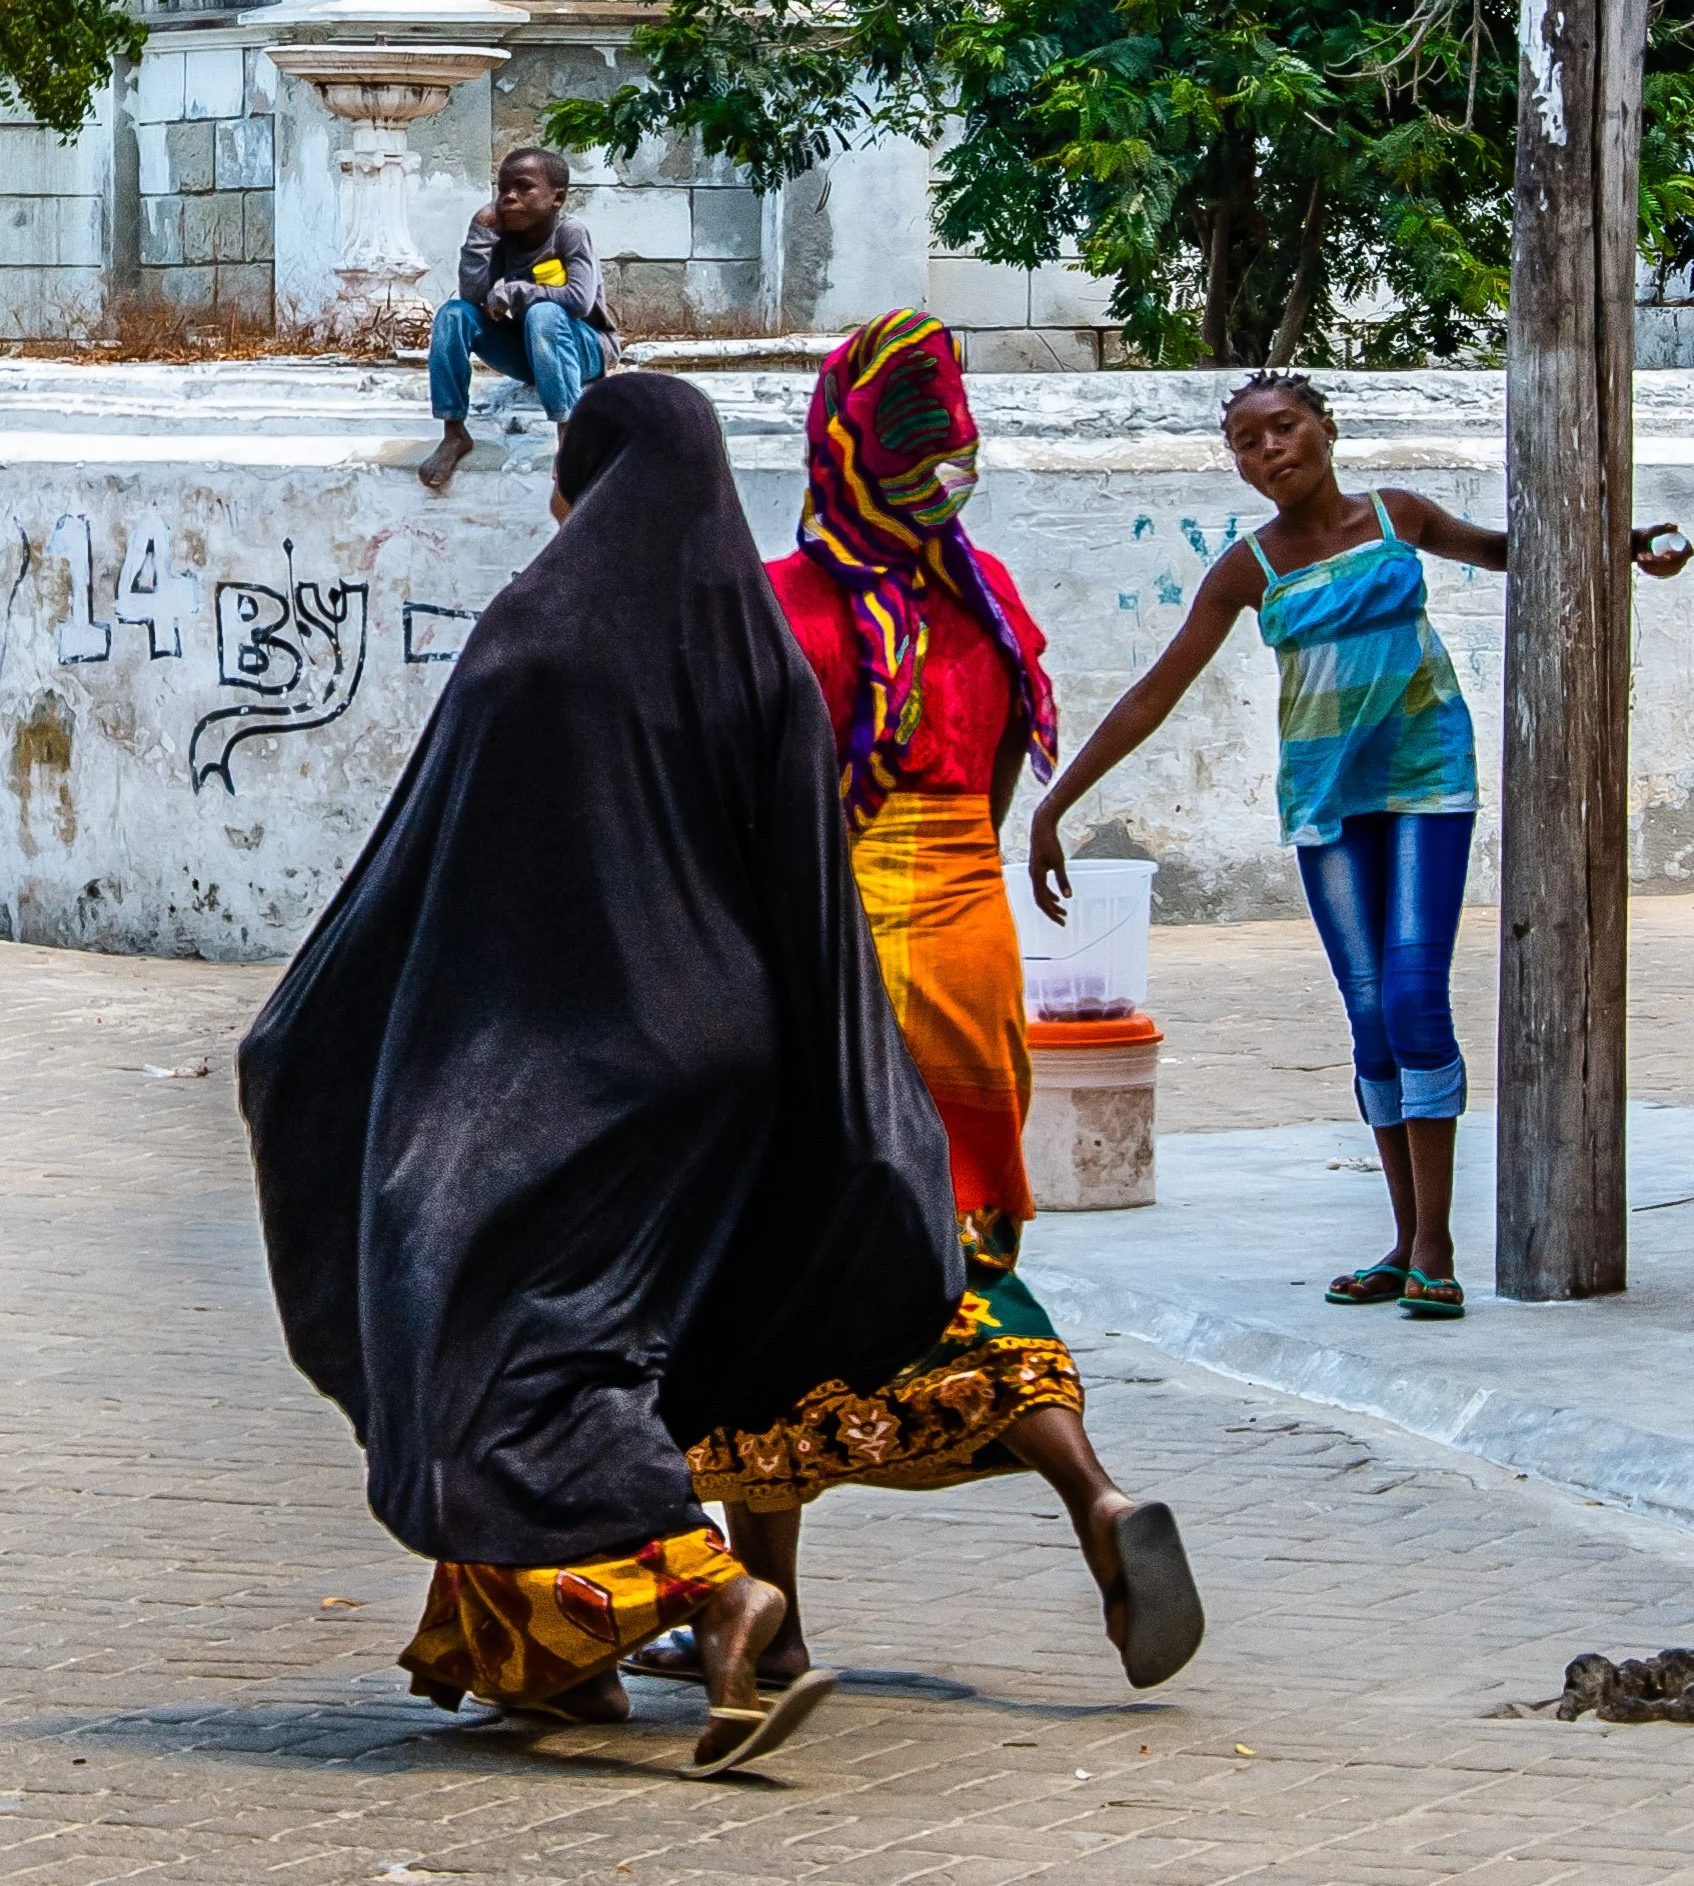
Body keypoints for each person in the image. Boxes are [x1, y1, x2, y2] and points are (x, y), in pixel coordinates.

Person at [239, 371, 964, 1778]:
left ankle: (713, 1590)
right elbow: (808, 891)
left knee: (484, 1345)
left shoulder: (534, 640)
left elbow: (428, 873)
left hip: (551, 1066)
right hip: (724, 1065)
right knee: (596, 1340)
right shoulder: (756, 649)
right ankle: (542, 1655)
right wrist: (849, 1098)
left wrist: (313, 1036)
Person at [641, 311, 1204, 1697]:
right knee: (955, 1253)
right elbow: (990, 800)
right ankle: (1097, 1503)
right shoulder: (991, 602)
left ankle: (770, 1607)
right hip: (969, 958)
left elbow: (752, 819)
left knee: (781, 1274)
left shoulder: (785, 605)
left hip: (839, 968)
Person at [1029, 368, 1691, 1321]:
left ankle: (1435, 1245)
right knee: (1371, 1009)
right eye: (1247, 444)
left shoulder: (1396, 516)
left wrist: (1627, 547)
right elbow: (1152, 694)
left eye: (1284, 428)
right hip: (1327, 800)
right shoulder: (1248, 569)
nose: (1269, 452)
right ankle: (1401, 1235)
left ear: (1326, 429)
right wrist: (1053, 807)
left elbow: (1519, 552)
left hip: (1427, 779)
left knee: (1418, 995)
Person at [418, 147, 620, 493]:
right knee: (452, 314)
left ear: (557, 198)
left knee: (544, 313)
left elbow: (579, 300)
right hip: (532, 352)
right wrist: (478, 237)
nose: (509, 198)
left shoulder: (570, 233)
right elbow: (472, 300)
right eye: (503, 189)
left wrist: (515, 292)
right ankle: (454, 432)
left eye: (523, 188)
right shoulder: (500, 237)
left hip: (583, 347)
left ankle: (568, 435)